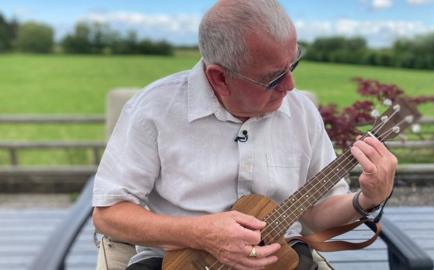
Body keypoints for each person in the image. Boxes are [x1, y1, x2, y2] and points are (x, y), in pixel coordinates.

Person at [92, 0, 397, 269]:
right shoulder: (153, 109)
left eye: (293, 64)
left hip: (280, 260)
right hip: (176, 261)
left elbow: (317, 215)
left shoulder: (301, 110)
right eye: (274, 77)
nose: (290, 85)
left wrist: (367, 198)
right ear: (219, 77)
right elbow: (108, 215)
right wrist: (200, 233)